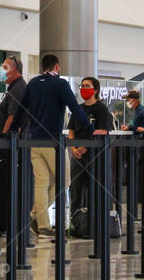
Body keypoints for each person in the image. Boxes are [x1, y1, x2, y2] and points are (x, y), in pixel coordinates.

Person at [16, 54, 107, 238]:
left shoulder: (33, 83)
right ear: (57, 67)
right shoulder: (60, 84)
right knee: (64, 180)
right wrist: (91, 130)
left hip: (34, 141)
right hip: (52, 142)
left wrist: (12, 130)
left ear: (42, 67)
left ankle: (42, 225)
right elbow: (75, 108)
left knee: (41, 183)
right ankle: (36, 217)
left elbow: (21, 110)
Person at [67, 77, 114, 216]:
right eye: (82, 86)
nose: (83, 88)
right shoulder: (78, 109)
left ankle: (94, 220)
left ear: (96, 90)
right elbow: (71, 130)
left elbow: (103, 131)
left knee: (94, 189)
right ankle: (75, 219)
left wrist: (85, 147)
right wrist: (73, 148)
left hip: (95, 156)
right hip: (77, 156)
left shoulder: (101, 109)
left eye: (87, 86)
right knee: (76, 189)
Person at [0, 55, 26, 233]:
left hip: (7, 145)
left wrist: (4, 139)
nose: (2, 71)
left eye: (5, 68)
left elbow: (12, 117)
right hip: (6, 143)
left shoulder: (18, 89)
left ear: (15, 70)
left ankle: (3, 223)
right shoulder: (13, 88)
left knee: (5, 185)